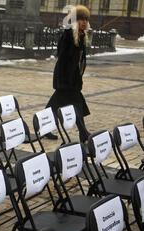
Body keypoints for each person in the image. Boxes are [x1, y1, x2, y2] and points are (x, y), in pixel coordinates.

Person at [45, 5, 91, 142]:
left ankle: (44, 128)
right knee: (77, 103)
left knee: (54, 105)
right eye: (81, 19)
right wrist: (68, 78)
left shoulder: (81, 35)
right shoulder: (69, 34)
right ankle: (83, 132)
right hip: (65, 78)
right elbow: (62, 56)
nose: (84, 22)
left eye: (86, 19)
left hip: (73, 78)